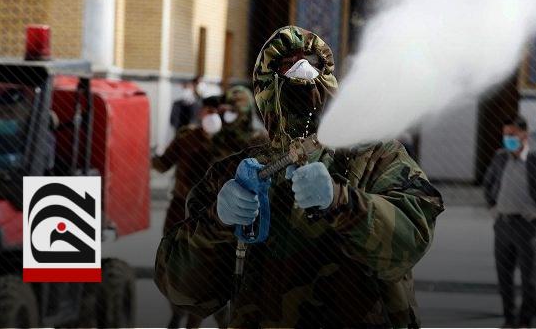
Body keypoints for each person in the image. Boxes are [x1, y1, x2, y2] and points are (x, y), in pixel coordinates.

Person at [154, 26, 444, 328]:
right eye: (286, 64)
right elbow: (182, 290)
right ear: (266, 83)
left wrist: (342, 202)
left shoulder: (377, 157)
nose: (302, 70)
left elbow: (410, 241)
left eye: (312, 63)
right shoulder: (235, 173)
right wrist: (217, 221)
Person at [483, 115, 536, 328]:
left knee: (529, 278)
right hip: (502, 225)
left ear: (524, 135)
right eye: (505, 135)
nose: (508, 139)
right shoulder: (500, 157)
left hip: (526, 227)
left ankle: (524, 321)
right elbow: (488, 183)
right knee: (504, 277)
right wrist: (492, 206)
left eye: (512, 135)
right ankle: (509, 319)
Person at [152, 95, 223, 329]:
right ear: (201, 112)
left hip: (209, 214)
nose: (212, 116)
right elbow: (163, 164)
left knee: (202, 271)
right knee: (172, 264)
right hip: (180, 209)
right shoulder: (186, 137)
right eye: (208, 111)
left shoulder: (229, 141)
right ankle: (176, 312)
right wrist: (148, 154)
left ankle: (193, 322)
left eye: (217, 112)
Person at [213, 85, 268, 157]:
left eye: (238, 102)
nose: (228, 108)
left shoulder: (260, 135)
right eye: (231, 103)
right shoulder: (221, 134)